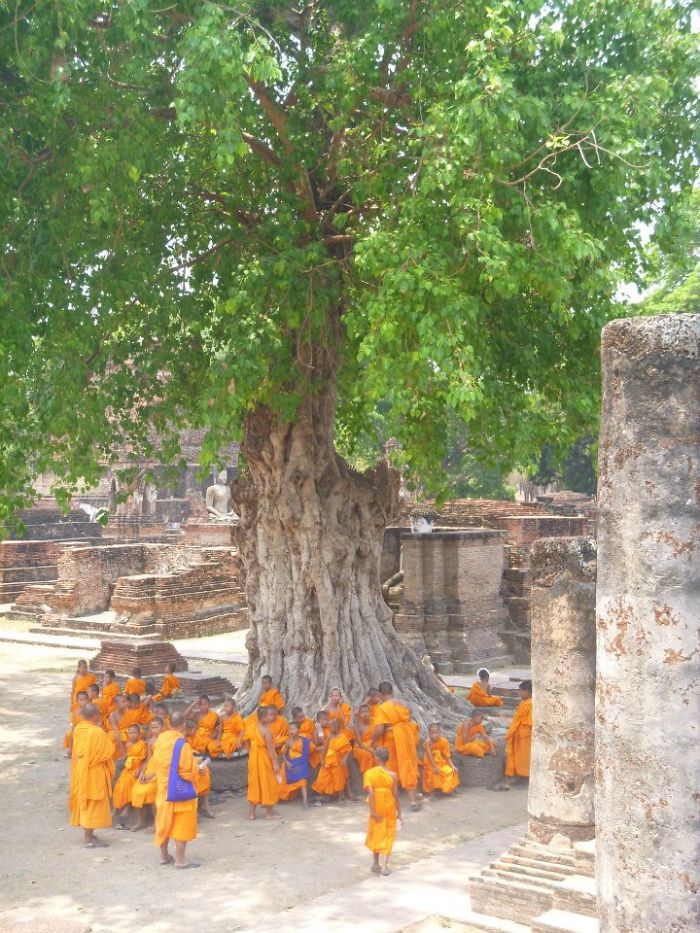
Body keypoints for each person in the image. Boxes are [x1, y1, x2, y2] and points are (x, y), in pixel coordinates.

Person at [152, 710, 199, 868]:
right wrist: (197, 767)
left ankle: (164, 856)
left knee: (164, 821)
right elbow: (186, 772)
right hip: (178, 791)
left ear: (167, 724)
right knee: (180, 824)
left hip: (163, 789)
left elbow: (159, 762)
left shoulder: (160, 740)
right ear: (184, 725)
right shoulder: (182, 745)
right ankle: (180, 860)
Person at [69, 702, 115, 848]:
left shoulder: (79, 729)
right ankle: (88, 838)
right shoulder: (97, 732)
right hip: (94, 774)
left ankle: (90, 834)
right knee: (92, 804)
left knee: (86, 802)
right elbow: (107, 752)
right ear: (96, 715)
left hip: (82, 771)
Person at [373, 682, 420, 811]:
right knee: (407, 765)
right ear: (392, 691)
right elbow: (408, 718)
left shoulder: (382, 708)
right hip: (405, 737)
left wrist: (373, 740)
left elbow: (379, 730)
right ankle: (413, 802)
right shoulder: (402, 704)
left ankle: (390, 801)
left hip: (391, 739)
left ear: (380, 694)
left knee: (390, 767)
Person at [364, 746, 402, 876]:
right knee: (389, 832)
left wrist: (373, 811)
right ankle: (385, 866)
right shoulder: (393, 775)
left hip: (377, 804)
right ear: (387, 759)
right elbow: (396, 794)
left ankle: (375, 863)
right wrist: (400, 814)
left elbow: (371, 792)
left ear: (376, 758)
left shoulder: (370, 773)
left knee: (376, 831)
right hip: (390, 804)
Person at [245, 705, 280, 820]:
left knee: (253, 784)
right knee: (268, 783)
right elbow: (271, 750)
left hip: (253, 759)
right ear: (264, 718)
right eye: (270, 715)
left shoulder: (251, 727)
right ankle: (269, 814)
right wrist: (275, 764)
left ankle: (251, 814)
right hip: (264, 759)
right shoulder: (266, 731)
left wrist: (251, 752)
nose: (272, 717)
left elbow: (245, 741)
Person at [130, 716, 164, 831]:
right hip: (150, 767)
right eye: (152, 728)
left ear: (162, 728)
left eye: (156, 727)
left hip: (160, 770)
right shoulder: (150, 741)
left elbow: (166, 761)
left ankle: (157, 822)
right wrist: (142, 771)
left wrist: (153, 775)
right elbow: (148, 759)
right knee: (136, 791)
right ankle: (141, 821)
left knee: (150, 793)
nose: (154, 730)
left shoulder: (165, 741)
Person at [111, 724, 147, 827]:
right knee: (119, 787)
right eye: (131, 733)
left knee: (129, 785)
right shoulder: (127, 745)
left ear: (139, 734)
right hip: (128, 769)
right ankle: (116, 809)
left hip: (137, 770)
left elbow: (144, 760)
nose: (133, 735)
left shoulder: (142, 744)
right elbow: (126, 757)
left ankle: (125, 810)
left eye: (135, 732)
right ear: (128, 734)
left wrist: (140, 770)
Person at [313, 717, 352, 803]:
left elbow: (348, 749)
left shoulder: (343, 737)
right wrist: (322, 759)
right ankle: (327, 795)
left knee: (339, 780)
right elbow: (325, 748)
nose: (330, 727)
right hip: (328, 761)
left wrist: (344, 759)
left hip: (338, 762)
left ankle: (340, 799)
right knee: (325, 778)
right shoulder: (330, 736)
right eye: (330, 726)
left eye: (332, 726)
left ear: (337, 726)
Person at [183, 719, 215, 819]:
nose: (193, 732)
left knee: (205, 775)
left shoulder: (197, 738)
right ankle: (193, 809)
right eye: (191, 730)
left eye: (193, 729)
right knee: (193, 780)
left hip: (198, 761)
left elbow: (201, 754)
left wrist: (201, 765)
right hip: (187, 765)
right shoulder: (182, 739)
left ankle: (206, 805)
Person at [505, 680, 533, 781]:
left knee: (524, 757)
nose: (519, 693)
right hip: (520, 734)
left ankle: (525, 777)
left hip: (526, 735)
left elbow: (529, 723)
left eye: (521, 691)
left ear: (528, 691)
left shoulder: (530, 704)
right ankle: (521, 775)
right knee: (519, 756)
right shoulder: (525, 702)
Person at [279, 720, 311, 807]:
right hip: (291, 765)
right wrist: (287, 763)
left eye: (293, 729)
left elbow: (306, 754)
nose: (291, 731)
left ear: (299, 730)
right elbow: (284, 755)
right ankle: (282, 797)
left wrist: (299, 764)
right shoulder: (288, 742)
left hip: (301, 764)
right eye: (290, 729)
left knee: (303, 781)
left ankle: (305, 802)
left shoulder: (304, 741)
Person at [422, 723, 460, 797]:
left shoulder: (444, 741)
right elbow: (429, 756)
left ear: (439, 733)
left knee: (451, 771)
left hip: (441, 763)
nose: (434, 735)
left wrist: (452, 766)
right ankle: (432, 794)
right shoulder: (427, 742)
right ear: (429, 733)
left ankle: (450, 790)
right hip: (430, 763)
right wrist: (434, 766)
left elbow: (447, 756)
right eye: (432, 733)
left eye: (436, 733)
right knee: (434, 773)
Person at [352, 704, 375, 775]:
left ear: (370, 713)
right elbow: (360, 744)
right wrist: (371, 751)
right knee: (367, 755)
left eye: (366, 711)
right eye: (362, 712)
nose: (365, 714)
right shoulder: (357, 726)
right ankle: (367, 774)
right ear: (359, 714)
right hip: (360, 747)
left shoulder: (374, 722)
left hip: (372, 744)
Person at [64, 690, 89, 755]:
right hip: (79, 733)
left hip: (90, 733)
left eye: (85, 699)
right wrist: (71, 749)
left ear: (88, 700)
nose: (84, 701)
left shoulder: (92, 711)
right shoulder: (75, 714)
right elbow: (73, 729)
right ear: (77, 701)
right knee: (69, 735)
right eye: (81, 700)